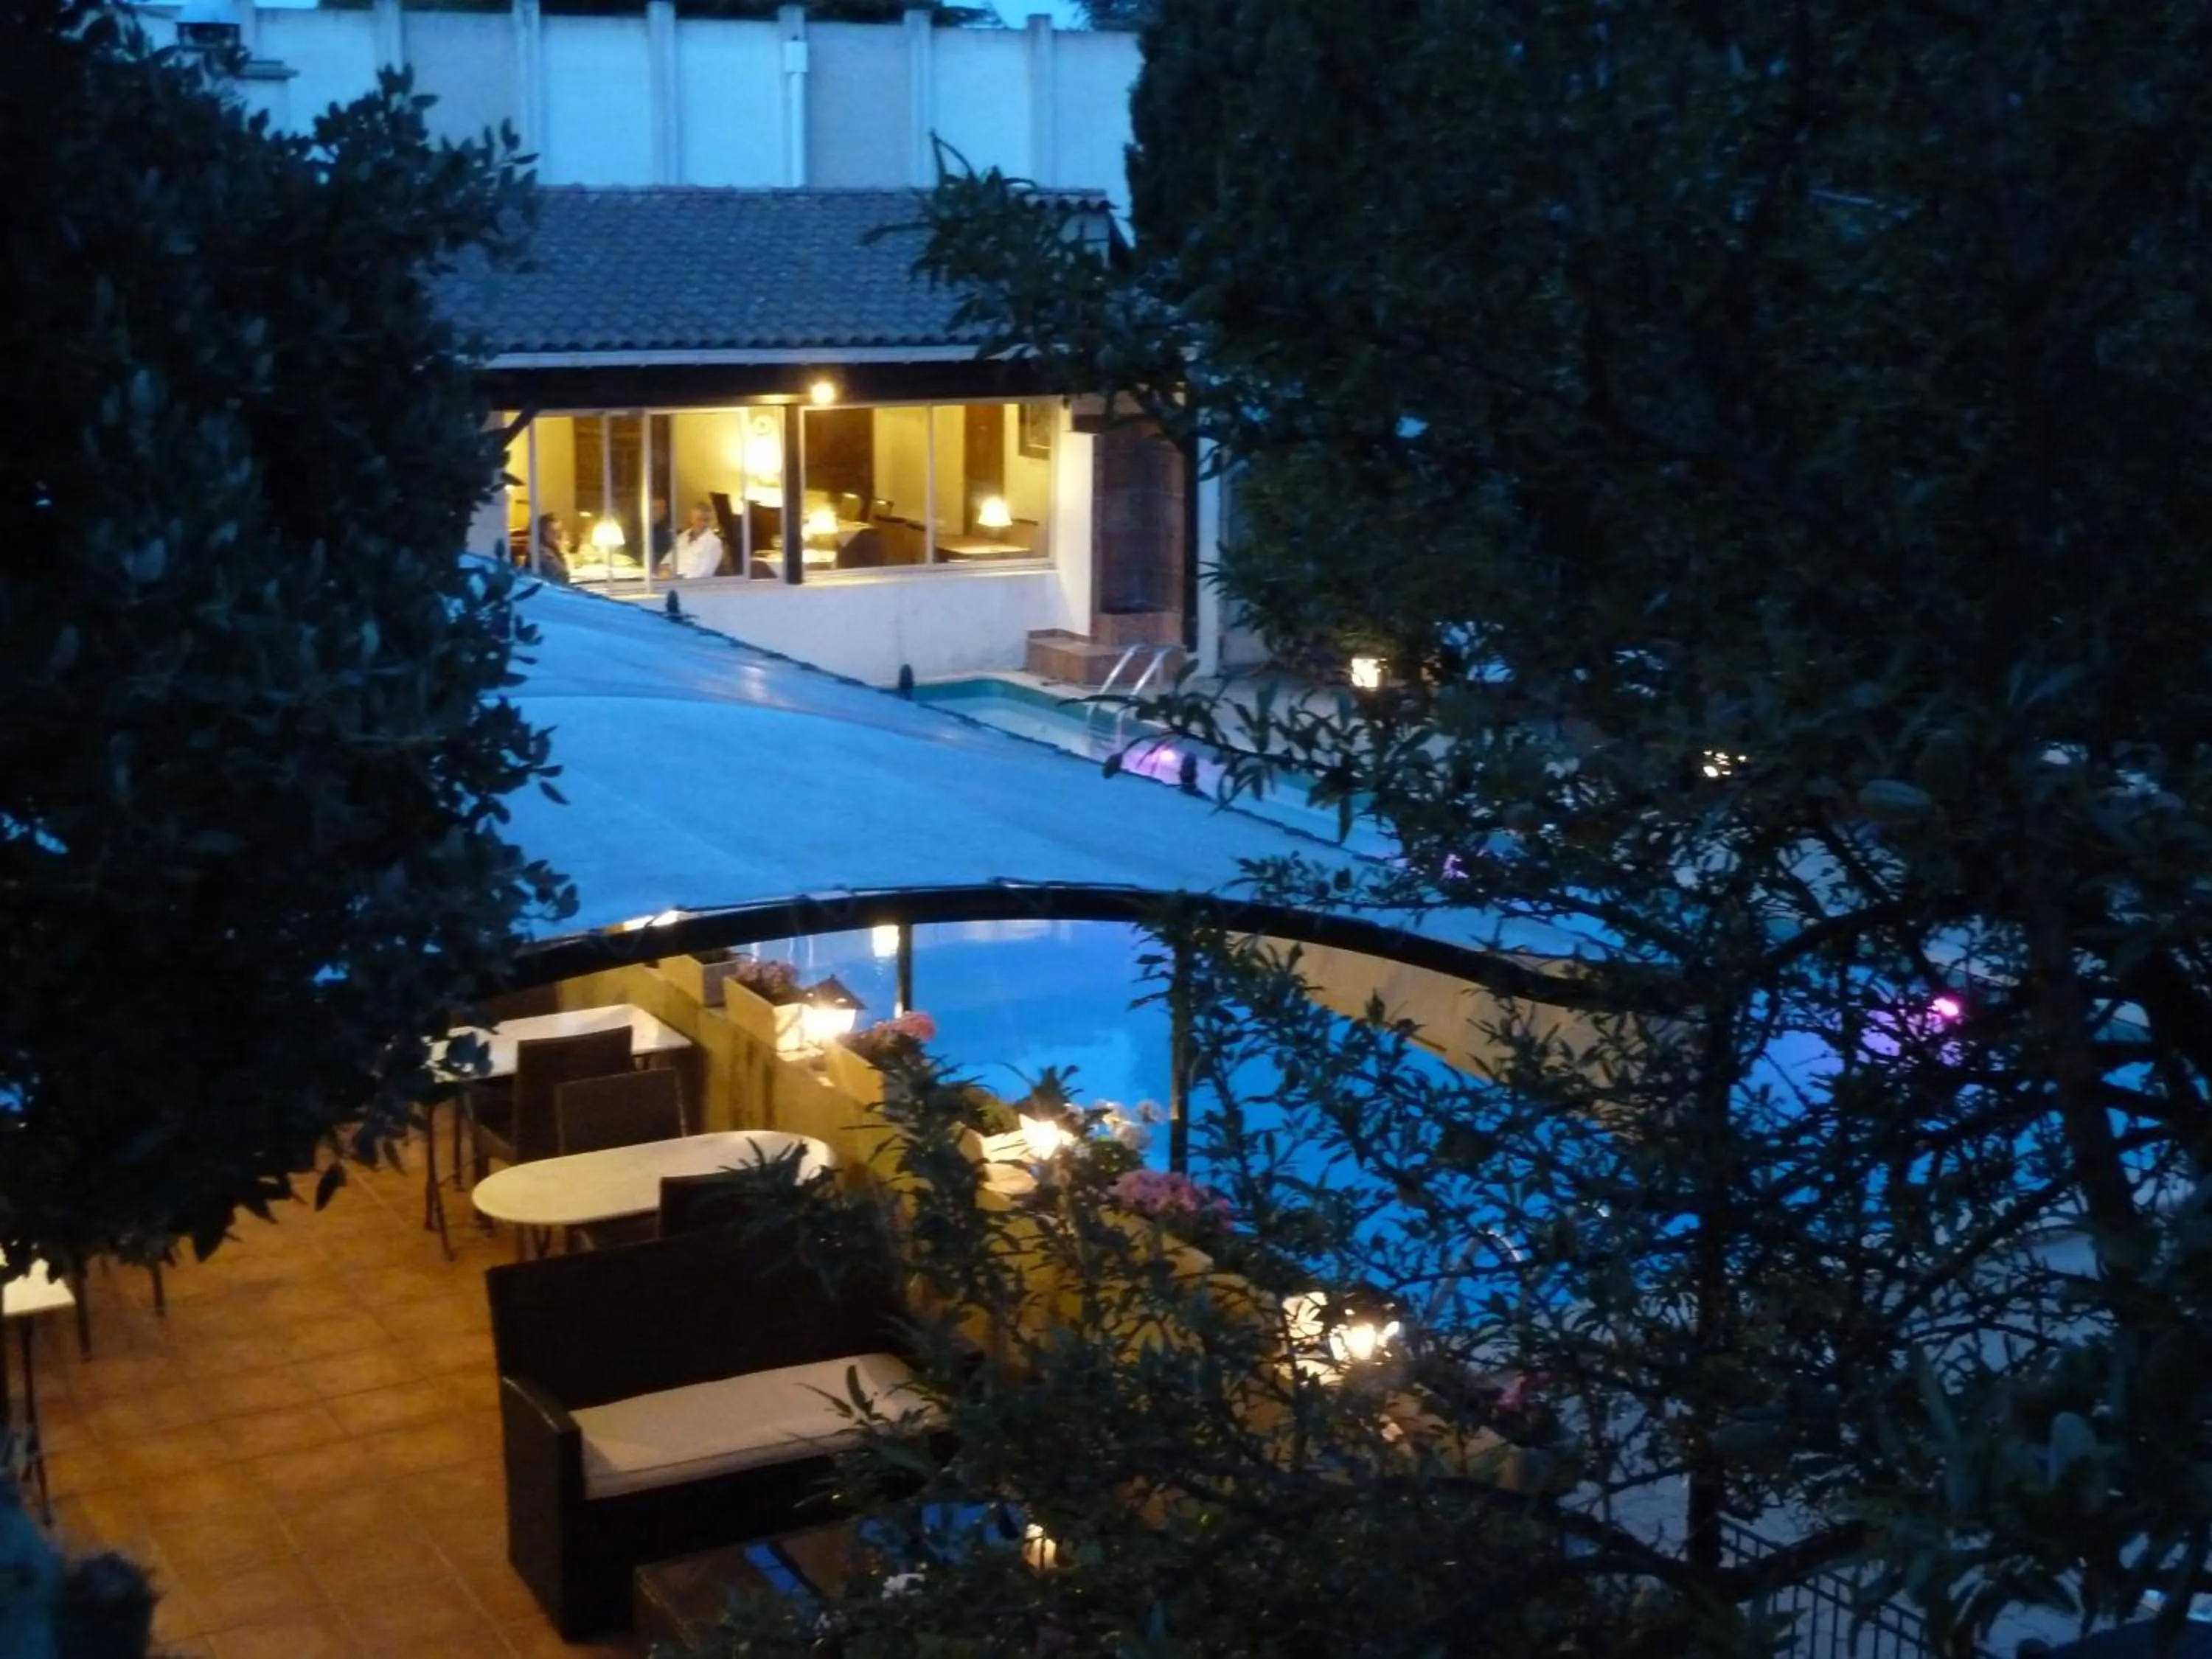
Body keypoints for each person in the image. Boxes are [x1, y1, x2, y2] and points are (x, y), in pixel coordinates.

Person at [673, 502, 724, 579]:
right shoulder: (681, 537)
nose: (702, 524)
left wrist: (677, 579)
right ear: (691, 519)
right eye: (699, 519)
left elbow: (704, 573)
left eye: (706, 520)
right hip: (671, 582)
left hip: (692, 587)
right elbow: (668, 560)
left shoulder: (714, 543)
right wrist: (665, 570)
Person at [534, 512, 571, 583]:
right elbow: (562, 575)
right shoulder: (542, 554)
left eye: (559, 531)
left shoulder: (550, 550)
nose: (558, 536)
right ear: (542, 533)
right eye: (552, 532)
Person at [648, 495, 674, 576]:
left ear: (664, 511)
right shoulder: (640, 529)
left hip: (658, 570)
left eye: (659, 508)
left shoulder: (667, 531)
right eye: (653, 509)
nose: (655, 512)